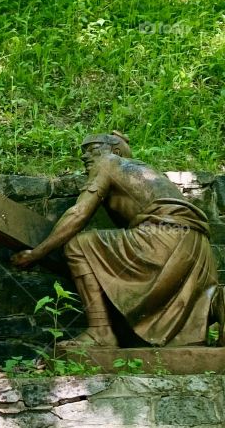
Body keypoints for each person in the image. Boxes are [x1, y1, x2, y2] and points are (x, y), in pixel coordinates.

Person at [12, 131, 219, 347]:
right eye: (83, 152)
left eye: (93, 150)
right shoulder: (145, 172)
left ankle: (100, 331)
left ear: (115, 150)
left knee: (79, 246)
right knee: (193, 296)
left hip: (163, 237)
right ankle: (218, 303)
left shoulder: (109, 162)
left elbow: (79, 214)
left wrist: (38, 252)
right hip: (197, 245)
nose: (85, 157)